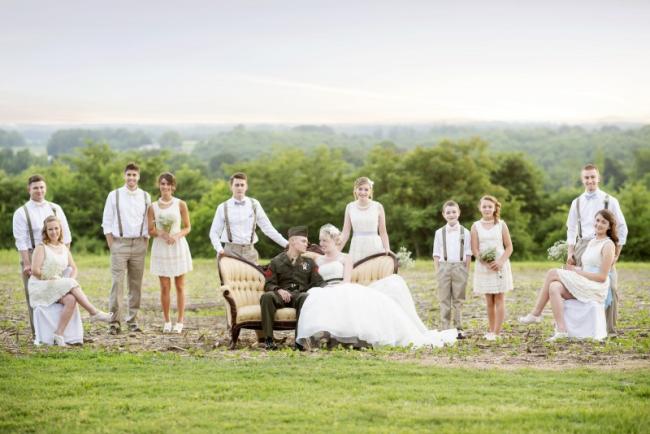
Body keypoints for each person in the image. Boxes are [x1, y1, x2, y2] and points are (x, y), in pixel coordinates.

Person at [296, 224, 457, 349]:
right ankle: (325, 336)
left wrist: (335, 288)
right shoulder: (316, 260)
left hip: (342, 286)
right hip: (323, 289)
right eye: (320, 240)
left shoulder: (345, 258)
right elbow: (314, 279)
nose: (321, 244)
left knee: (352, 296)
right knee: (316, 297)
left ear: (334, 240)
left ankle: (352, 338)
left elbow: (346, 280)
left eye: (325, 240)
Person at [520, 209, 617, 341]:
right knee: (554, 286)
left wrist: (577, 272)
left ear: (609, 226)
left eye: (604, 222)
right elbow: (587, 267)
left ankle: (536, 313)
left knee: (552, 272)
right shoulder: (592, 242)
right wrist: (574, 269)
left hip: (596, 287)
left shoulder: (608, 245)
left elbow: (602, 277)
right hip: (585, 282)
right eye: (597, 220)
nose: (599, 224)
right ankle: (561, 331)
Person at [29, 216, 111, 346]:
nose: (54, 232)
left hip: (57, 284)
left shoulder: (64, 248)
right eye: (50, 229)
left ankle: (58, 334)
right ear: (45, 231)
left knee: (71, 299)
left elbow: (74, 268)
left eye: (56, 228)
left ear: (60, 229)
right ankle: (94, 312)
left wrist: (70, 281)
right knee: (68, 284)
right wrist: (51, 278)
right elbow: (35, 271)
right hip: (41, 285)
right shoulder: (41, 247)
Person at [566, 164, 627, 335]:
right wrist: (570, 252)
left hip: (604, 244)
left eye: (593, 177)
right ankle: (586, 329)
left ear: (598, 178)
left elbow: (622, 228)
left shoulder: (610, 200)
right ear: (582, 179)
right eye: (586, 177)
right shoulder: (576, 202)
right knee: (580, 285)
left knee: (610, 286)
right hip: (582, 245)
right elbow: (571, 229)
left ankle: (610, 329)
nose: (590, 180)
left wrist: (617, 253)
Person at [13, 174, 73, 336]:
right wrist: (27, 263)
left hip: (55, 255)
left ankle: (60, 332)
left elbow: (66, 235)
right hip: (33, 256)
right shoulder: (21, 212)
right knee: (35, 295)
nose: (39, 191)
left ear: (45, 188)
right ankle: (38, 333)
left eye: (41, 187)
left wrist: (64, 256)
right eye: (35, 188)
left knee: (60, 291)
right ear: (29, 189)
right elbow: (21, 241)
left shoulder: (55, 208)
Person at [102, 162, 151, 335]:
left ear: (139, 177)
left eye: (134, 175)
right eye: (129, 174)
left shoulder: (145, 196)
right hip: (119, 243)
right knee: (117, 284)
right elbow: (107, 222)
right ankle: (114, 322)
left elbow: (148, 222)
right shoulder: (114, 195)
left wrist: (145, 243)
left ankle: (132, 321)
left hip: (139, 244)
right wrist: (112, 245)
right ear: (124, 176)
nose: (131, 178)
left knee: (135, 285)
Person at [260, 226, 325, 350]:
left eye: (306, 242)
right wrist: (278, 290)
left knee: (305, 297)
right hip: (280, 295)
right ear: (293, 241)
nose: (306, 244)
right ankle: (268, 340)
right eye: (303, 241)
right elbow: (268, 284)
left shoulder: (309, 263)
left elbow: (318, 282)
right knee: (267, 297)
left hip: (299, 295)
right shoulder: (276, 261)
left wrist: (329, 288)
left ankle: (299, 341)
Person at [147, 172, 193, 334]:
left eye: (168, 184)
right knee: (165, 287)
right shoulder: (152, 206)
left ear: (173, 186)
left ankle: (180, 321)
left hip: (177, 246)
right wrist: (161, 233)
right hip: (161, 248)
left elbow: (187, 227)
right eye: (162, 183)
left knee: (180, 285)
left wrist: (176, 236)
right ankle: (167, 321)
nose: (165, 186)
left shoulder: (180, 204)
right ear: (159, 185)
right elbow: (150, 230)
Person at [209, 172, 288, 264]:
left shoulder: (254, 204)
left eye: (242, 185)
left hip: (250, 252)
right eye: (237, 185)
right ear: (231, 187)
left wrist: (287, 244)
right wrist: (219, 249)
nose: (239, 188)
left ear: (246, 187)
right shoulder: (223, 207)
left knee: (254, 274)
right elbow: (214, 232)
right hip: (230, 252)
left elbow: (268, 228)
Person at [471, 195, 514, 341]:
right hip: (484, 267)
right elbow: (475, 249)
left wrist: (500, 262)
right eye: (484, 206)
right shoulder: (475, 226)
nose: (487, 209)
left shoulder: (501, 224)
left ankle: (497, 332)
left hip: (500, 266)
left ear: (495, 208)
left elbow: (509, 247)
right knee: (489, 301)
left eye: (490, 206)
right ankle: (490, 331)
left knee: (500, 298)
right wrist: (484, 262)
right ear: (480, 208)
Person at [433, 201, 472, 338]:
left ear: (459, 213)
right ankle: (445, 328)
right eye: (448, 212)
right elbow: (436, 253)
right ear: (444, 215)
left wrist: (466, 271)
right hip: (443, 266)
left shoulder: (466, 232)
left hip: (460, 267)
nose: (451, 215)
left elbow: (468, 253)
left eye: (454, 212)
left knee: (458, 299)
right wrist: (437, 270)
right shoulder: (439, 233)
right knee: (444, 299)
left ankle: (458, 328)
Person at [340, 177, 390, 263]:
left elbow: (383, 232)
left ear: (370, 191)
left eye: (366, 189)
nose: (363, 192)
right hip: (357, 246)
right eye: (360, 189)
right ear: (355, 190)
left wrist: (387, 249)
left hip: (374, 246)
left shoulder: (378, 206)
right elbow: (345, 233)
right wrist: (336, 251)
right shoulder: (350, 207)